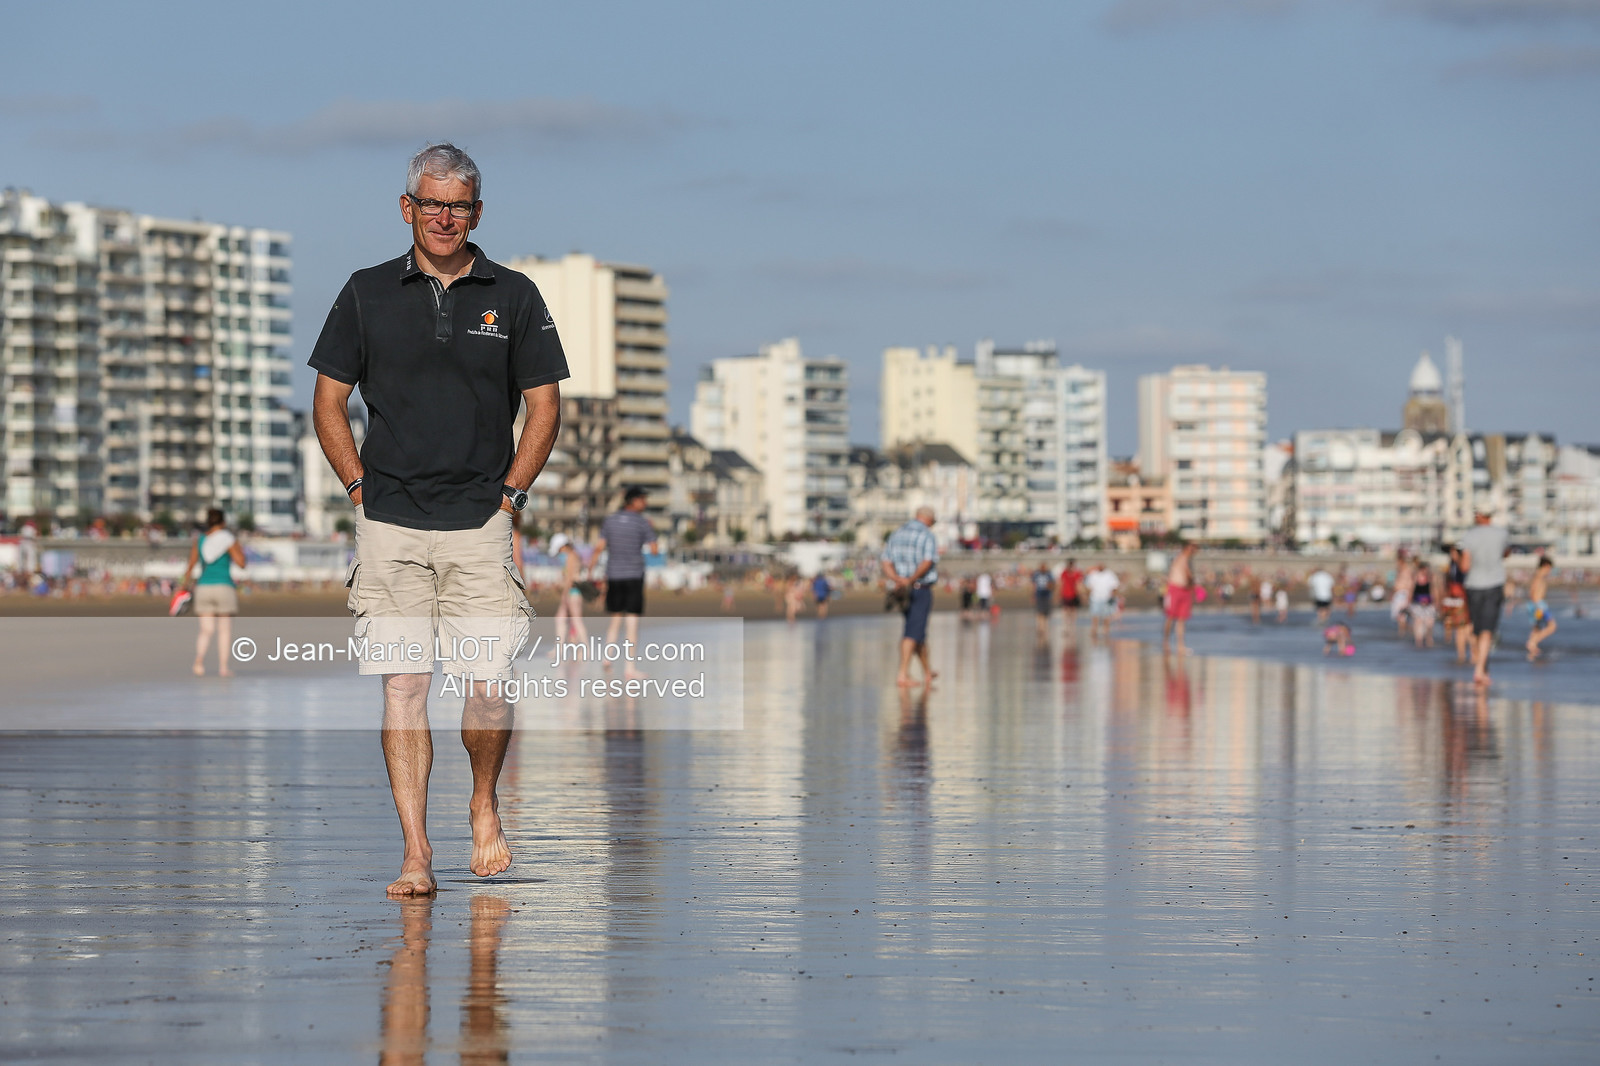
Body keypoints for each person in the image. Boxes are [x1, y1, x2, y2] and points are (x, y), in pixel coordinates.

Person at [310, 143, 567, 896]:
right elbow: (329, 403)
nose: (445, 217)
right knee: (404, 689)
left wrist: (511, 495)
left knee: (487, 683)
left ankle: (484, 800)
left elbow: (545, 407)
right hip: (389, 520)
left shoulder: (514, 295)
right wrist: (358, 488)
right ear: (407, 208)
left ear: (477, 213)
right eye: (432, 203)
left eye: (458, 205)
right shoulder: (365, 292)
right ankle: (417, 853)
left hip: (480, 521)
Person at [594, 486, 659, 679]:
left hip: (613, 575)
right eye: (643, 499)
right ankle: (630, 668)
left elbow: (599, 547)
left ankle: (607, 658)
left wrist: (590, 568)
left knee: (615, 619)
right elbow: (654, 550)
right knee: (632, 622)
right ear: (634, 501)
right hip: (633, 575)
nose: (646, 503)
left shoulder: (610, 520)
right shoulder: (642, 523)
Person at [182, 508, 246, 677]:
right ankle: (223, 667)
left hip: (203, 587)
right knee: (224, 630)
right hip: (224, 586)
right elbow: (241, 563)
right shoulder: (228, 540)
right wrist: (237, 549)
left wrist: (184, 586)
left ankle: (198, 662)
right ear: (223, 522)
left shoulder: (200, 540)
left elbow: (190, 566)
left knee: (206, 630)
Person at [881, 507, 940, 688]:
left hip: (900, 589)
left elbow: (885, 561)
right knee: (912, 632)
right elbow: (927, 561)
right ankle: (903, 674)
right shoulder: (927, 535)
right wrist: (909, 579)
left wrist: (896, 579)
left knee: (918, 632)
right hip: (919, 587)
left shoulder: (897, 534)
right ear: (929, 520)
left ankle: (927, 672)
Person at [1458, 507, 1511, 687]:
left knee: (1477, 629)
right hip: (1494, 584)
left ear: (1480, 515)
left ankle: (1480, 664)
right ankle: (1481, 668)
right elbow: (1506, 553)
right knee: (1488, 629)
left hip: (1473, 585)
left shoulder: (1469, 535)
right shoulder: (1501, 534)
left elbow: (1464, 566)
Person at [550, 533, 588, 643]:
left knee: (576, 621)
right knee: (562, 619)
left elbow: (570, 578)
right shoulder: (572, 555)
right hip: (573, 592)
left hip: (572, 592)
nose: (559, 553)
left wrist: (564, 594)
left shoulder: (571, 556)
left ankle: (585, 648)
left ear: (563, 546)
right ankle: (561, 648)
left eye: (559, 550)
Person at [1162, 543, 1197, 654]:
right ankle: (1166, 642)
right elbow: (1186, 573)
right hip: (1175, 589)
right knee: (1171, 617)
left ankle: (1180, 646)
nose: (1192, 551)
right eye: (1191, 548)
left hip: (1185, 590)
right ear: (1186, 548)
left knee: (1182, 619)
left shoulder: (1187, 560)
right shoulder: (1180, 557)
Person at [1441, 545, 1471, 664]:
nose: (1452, 555)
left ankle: (1471, 653)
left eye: (1454, 553)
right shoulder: (1451, 567)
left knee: (1466, 629)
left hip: (1462, 598)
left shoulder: (1463, 566)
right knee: (1458, 629)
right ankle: (1462, 654)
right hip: (1453, 599)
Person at [1525, 556, 1558, 662]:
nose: (1550, 571)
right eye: (1549, 568)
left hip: (1535, 604)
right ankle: (1532, 642)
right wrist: (1538, 607)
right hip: (1538, 605)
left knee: (1536, 628)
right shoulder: (1539, 576)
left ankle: (1532, 651)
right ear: (1545, 566)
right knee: (1552, 626)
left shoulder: (1538, 575)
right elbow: (1533, 592)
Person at [1084, 562, 1120, 640]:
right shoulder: (1093, 575)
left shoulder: (1110, 574)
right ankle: (1094, 631)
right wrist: (1087, 596)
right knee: (1095, 615)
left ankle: (1106, 631)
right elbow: (1089, 586)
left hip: (1106, 598)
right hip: (1095, 598)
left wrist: (1113, 596)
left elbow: (1115, 586)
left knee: (1107, 615)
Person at [1409, 561, 1436, 648]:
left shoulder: (1430, 578)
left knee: (1430, 623)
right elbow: (1411, 590)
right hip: (1417, 603)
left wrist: (1436, 602)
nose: (1425, 572)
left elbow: (1434, 591)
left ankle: (1429, 639)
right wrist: (1408, 602)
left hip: (1429, 603)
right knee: (1418, 622)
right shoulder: (1415, 578)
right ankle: (1419, 641)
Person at [1031, 562, 1055, 636]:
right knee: (1039, 612)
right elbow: (1034, 585)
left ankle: (1045, 627)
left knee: (1046, 613)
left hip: (1047, 596)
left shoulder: (1049, 575)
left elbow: (1052, 584)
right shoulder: (1036, 575)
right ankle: (1040, 627)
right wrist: (1033, 595)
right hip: (1039, 595)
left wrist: (1049, 588)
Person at [1058, 559, 1083, 625]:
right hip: (1066, 594)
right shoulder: (1064, 573)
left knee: (1073, 610)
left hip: (1074, 595)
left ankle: (1072, 625)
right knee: (1066, 610)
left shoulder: (1076, 573)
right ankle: (1066, 624)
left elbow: (1078, 584)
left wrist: (1080, 594)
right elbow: (1061, 583)